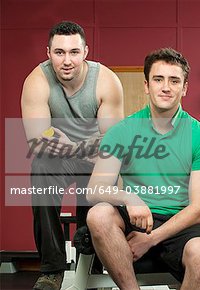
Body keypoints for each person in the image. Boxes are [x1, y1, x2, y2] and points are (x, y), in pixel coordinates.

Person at [85, 48, 200, 290]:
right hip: (136, 218)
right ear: (147, 85)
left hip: (181, 223)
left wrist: (150, 239)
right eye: (158, 79)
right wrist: (128, 196)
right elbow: (95, 189)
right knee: (99, 215)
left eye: (174, 80)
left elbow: (199, 209)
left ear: (185, 88)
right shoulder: (122, 131)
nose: (166, 87)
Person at [20, 21, 124, 290]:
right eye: (59, 52)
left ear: (86, 52)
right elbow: (39, 140)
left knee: (101, 185)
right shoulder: (36, 81)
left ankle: (91, 268)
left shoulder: (106, 81)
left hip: (93, 158)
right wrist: (81, 147)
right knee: (41, 167)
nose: (67, 60)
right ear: (48, 53)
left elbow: (111, 146)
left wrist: (72, 145)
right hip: (59, 158)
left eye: (74, 52)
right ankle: (51, 269)